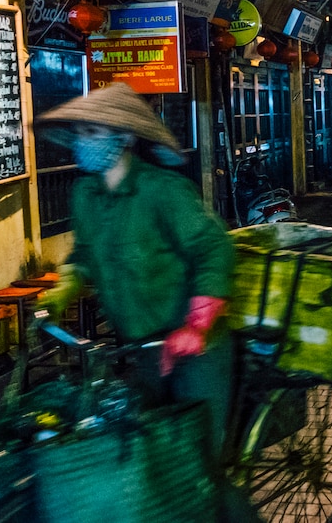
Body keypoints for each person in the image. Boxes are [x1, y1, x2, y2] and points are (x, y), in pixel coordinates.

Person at [33, 83, 255, 522]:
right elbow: (83, 257)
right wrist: (60, 292)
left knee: (199, 467)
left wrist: (195, 327)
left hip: (199, 351)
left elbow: (213, 251)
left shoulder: (163, 191)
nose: (83, 142)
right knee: (149, 462)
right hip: (141, 350)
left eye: (92, 131)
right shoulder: (86, 196)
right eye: (79, 132)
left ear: (124, 137)